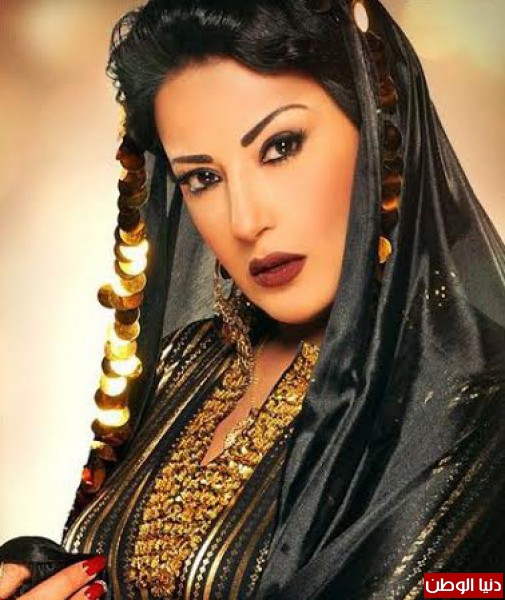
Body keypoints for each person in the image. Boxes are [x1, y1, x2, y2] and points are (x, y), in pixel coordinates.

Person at [1, 0, 504, 598]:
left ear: (377, 131)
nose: (244, 221)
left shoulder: (475, 402)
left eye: (281, 146)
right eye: (203, 178)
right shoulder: (187, 361)